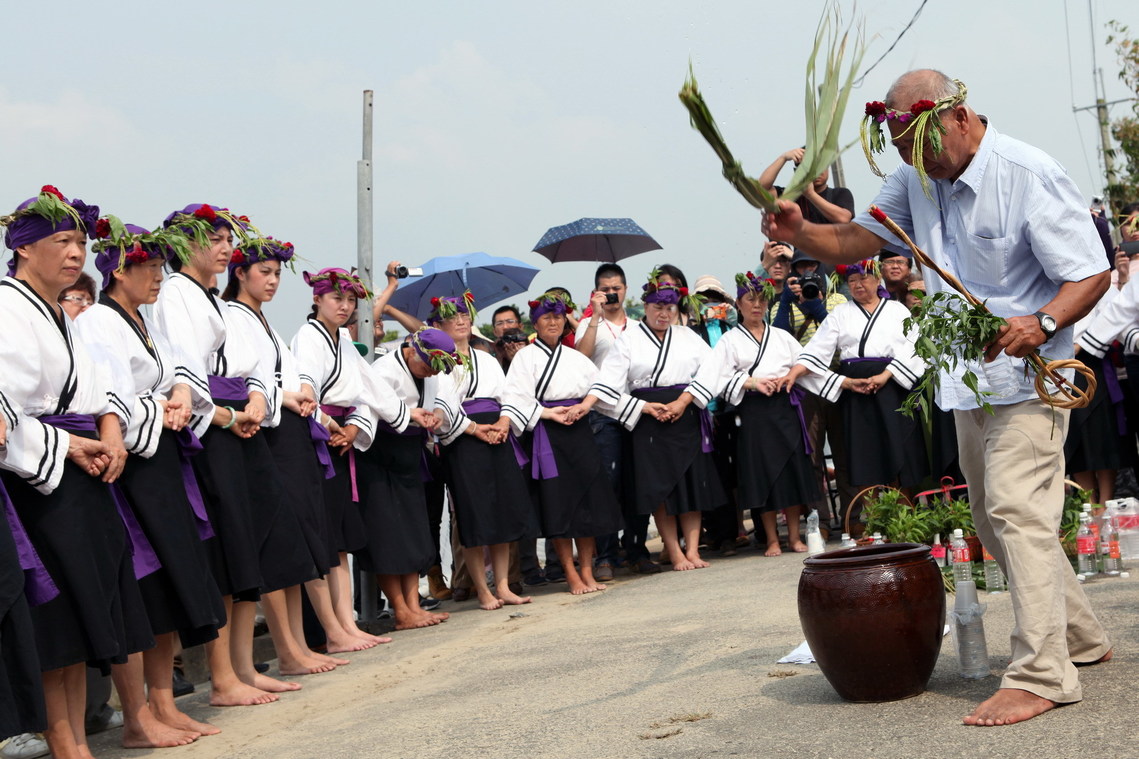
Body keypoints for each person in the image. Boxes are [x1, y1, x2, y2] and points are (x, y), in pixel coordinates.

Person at [765, 68, 1112, 725]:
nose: (911, 164)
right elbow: (861, 239)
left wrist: (1038, 321)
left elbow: (1089, 271)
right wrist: (801, 231)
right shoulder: (913, 176)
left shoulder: (1025, 173)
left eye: (919, 147)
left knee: (1015, 508)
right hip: (969, 376)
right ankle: (1078, 634)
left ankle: (1042, 670)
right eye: (898, 152)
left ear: (957, 116)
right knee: (991, 518)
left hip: (1035, 373)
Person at [0, 187, 154, 759]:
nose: (75, 254)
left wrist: (110, 431)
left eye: (80, 243)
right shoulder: (8, 306)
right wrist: (67, 444)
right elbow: (6, 404)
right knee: (55, 618)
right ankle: (66, 745)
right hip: (33, 481)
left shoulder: (60, 315)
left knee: (82, 608)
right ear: (23, 249)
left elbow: (95, 388)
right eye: (61, 242)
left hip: (74, 469)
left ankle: (77, 742)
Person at [155, 203, 313, 705]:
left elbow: (251, 367)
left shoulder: (209, 300)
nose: (225, 248)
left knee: (251, 543)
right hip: (213, 430)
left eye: (228, 239)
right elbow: (183, 371)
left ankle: (243, 666)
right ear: (184, 245)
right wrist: (226, 415)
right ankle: (222, 677)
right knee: (226, 549)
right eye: (215, 239)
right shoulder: (177, 294)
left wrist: (259, 399)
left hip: (241, 420)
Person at [79, 223, 228, 747]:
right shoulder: (99, 320)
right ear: (120, 269)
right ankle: (137, 716)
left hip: (164, 458)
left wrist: (183, 393)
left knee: (169, 585)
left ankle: (164, 703)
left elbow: (178, 366)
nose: (158, 277)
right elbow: (109, 396)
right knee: (140, 587)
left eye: (162, 268)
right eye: (150, 267)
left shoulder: (146, 319)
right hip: (132, 465)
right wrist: (156, 407)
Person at [225, 241, 381, 674]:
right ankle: (295, 646)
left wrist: (325, 417)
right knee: (281, 538)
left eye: (277, 273)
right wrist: (291, 397)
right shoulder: (232, 317)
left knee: (303, 536)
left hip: (296, 428)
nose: (273, 281)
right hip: (270, 431)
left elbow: (294, 379)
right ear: (240, 273)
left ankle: (311, 640)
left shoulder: (264, 322)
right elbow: (237, 380)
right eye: (265, 272)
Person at [588, 270, 726, 571]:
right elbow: (606, 387)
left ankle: (692, 550)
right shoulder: (629, 339)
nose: (663, 314)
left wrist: (684, 400)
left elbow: (715, 369)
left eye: (669, 308)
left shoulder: (688, 336)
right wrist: (642, 407)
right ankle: (674, 552)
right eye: (657, 308)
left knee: (691, 486)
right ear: (645, 307)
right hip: (648, 419)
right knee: (661, 489)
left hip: (684, 412)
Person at [291, 268, 390, 650]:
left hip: (341, 436)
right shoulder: (308, 337)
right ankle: (331, 631)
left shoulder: (345, 343)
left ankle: (347, 623)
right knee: (324, 539)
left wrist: (355, 428)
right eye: (337, 299)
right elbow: (305, 394)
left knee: (342, 542)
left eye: (350, 301)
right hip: (316, 438)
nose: (345, 306)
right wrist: (332, 425)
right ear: (317, 300)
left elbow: (368, 391)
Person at [690, 273, 823, 555]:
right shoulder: (730, 341)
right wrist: (751, 382)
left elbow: (805, 363)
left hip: (784, 405)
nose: (756, 305)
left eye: (762, 300)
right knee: (762, 474)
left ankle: (794, 537)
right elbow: (718, 378)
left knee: (791, 472)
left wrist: (789, 376)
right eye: (750, 300)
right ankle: (772, 539)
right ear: (738, 304)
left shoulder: (782, 336)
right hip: (753, 410)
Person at [502, 291, 622, 594]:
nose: (553, 322)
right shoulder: (525, 357)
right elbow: (514, 398)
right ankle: (570, 573)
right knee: (558, 505)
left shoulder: (575, 358)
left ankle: (587, 569)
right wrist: (547, 413)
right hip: (546, 434)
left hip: (579, 429)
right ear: (536, 323)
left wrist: (585, 405)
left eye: (557, 316)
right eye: (546, 317)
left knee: (587, 504)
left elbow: (599, 386)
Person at [780, 261, 929, 495]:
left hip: (893, 385)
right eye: (852, 281)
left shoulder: (897, 310)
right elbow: (819, 347)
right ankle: (873, 520)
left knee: (899, 448)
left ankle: (904, 517)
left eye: (864, 278)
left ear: (877, 280)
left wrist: (886, 375)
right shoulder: (841, 313)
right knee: (863, 453)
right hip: (855, 390)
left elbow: (915, 346)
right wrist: (795, 372)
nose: (858, 285)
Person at [428, 293, 536, 610]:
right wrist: (474, 429)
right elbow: (442, 408)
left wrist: (504, 421)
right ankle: (481, 588)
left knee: (501, 511)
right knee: (473, 515)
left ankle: (502, 584)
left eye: (465, 315)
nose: (461, 321)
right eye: (452, 317)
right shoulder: (439, 364)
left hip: (497, 432)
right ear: (438, 325)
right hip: (463, 438)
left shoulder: (487, 358)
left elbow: (508, 396)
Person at [354, 326, 452, 629]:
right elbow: (375, 408)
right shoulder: (383, 369)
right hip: (379, 456)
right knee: (387, 536)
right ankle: (400, 609)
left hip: (409, 455)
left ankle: (413, 605)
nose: (430, 373)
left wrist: (431, 415)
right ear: (412, 350)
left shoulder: (428, 375)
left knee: (413, 532)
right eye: (427, 365)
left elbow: (430, 406)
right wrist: (412, 413)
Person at [575, 263, 660, 580]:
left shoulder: (640, 326)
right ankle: (606, 556)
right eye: (605, 288)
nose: (612, 293)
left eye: (617, 287)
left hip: (637, 412)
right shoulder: (588, 325)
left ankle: (637, 549)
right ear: (596, 292)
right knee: (607, 485)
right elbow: (579, 360)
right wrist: (595, 317)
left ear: (626, 289)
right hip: (603, 415)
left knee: (638, 482)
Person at [689, 275, 744, 556]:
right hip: (703, 408)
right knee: (710, 473)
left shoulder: (731, 325)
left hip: (731, 405)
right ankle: (718, 534)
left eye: (714, 298)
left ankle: (734, 532)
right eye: (703, 299)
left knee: (735, 470)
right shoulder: (689, 330)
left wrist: (731, 309)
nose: (709, 304)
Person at [758, 145, 854, 224]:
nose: (817, 172)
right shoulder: (791, 197)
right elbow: (761, 190)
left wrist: (811, 194)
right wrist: (783, 158)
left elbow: (843, 219)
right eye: (810, 168)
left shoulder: (840, 194)